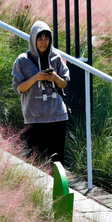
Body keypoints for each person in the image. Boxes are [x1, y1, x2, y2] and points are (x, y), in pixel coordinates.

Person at [12, 21, 70, 165]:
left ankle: (56, 188)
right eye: (40, 38)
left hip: (57, 115)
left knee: (57, 161)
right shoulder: (22, 61)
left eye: (46, 38)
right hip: (34, 118)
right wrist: (36, 77)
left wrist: (55, 77)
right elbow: (18, 88)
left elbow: (64, 83)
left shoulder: (56, 57)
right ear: (33, 39)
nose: (43, 42)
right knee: (37, 161)